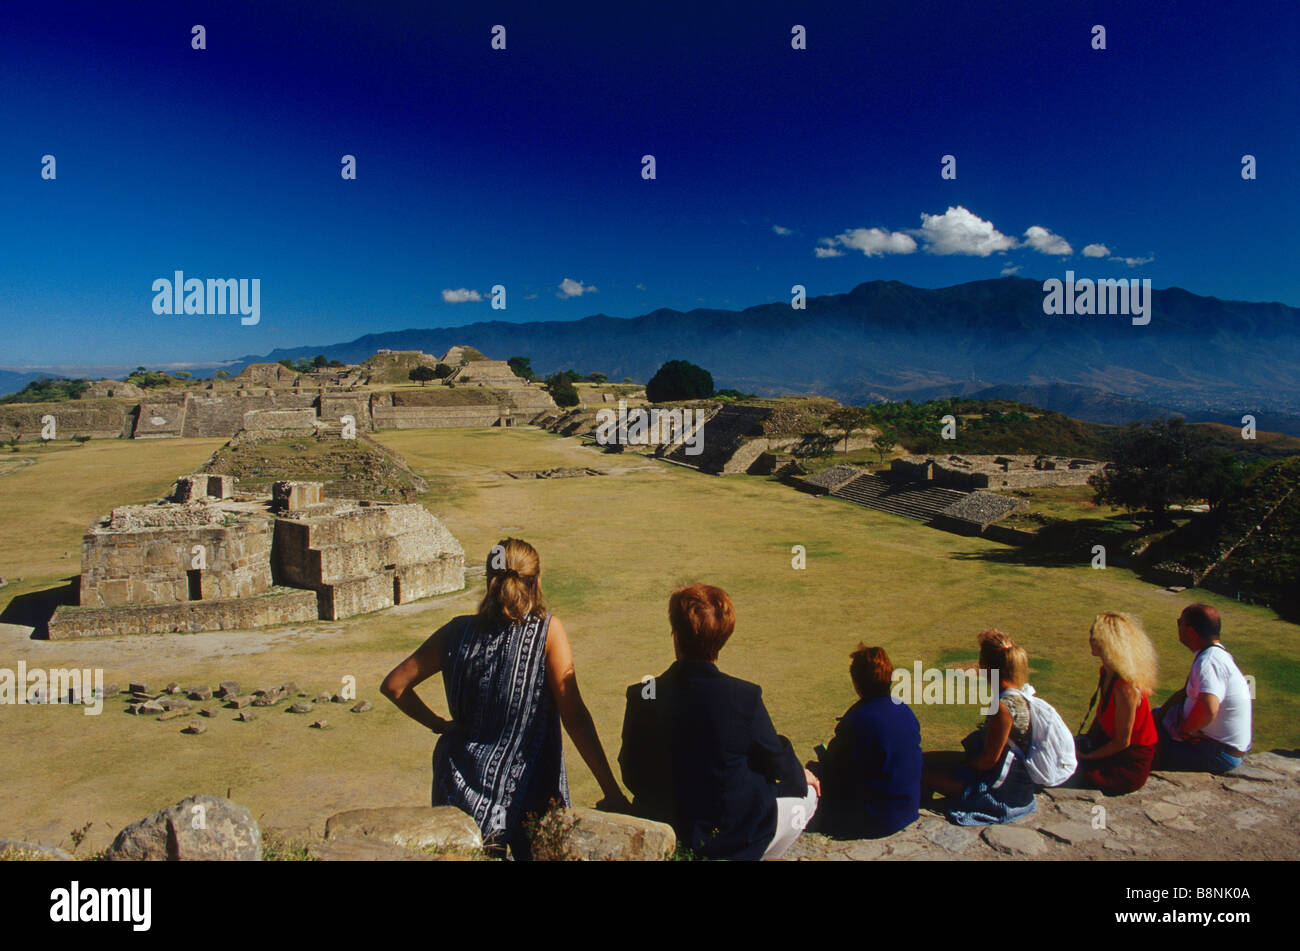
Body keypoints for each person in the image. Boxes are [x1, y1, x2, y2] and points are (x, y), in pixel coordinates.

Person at [381, 538, 628, 858]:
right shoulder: (547, 632)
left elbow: (394, 686)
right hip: (527, 789)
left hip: (460, 786)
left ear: (488, 581)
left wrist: (440, 725)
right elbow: (574, 716)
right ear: (537, 581)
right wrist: (611, 791)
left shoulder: (456, 632)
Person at [618, 583, 818, 860]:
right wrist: (800, 778)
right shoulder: (743, 697)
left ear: (675, 636)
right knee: (807, 796)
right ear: (724, 637)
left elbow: (631, 772)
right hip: (730, 838)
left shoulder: (642, 695)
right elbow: (779, 763)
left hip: (667, 828)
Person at [921, 630, 1037, 826]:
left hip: (1002, 792)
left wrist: (961, 768)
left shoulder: (1002, 707)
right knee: (924, 759)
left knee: (922, 773)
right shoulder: (1018, 695)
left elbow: (989, 760)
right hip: (1012, 782)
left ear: (986, 666)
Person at [806, 644, 921, 839]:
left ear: (856, 683)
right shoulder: (904, 711)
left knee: (812, 775)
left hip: (875, 819)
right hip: (907, 808)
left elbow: (839, 768)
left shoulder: (856, 719)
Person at [1153, 604, 1252, 774]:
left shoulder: (1209, 662)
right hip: (1221, 747)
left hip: (1216, 753)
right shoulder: (1216, 655)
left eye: (1180, 622)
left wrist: (1186, 729)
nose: (1178, 626)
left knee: (1144, 740)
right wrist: (1160, 713)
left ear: (1191, 631)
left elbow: (1209, 707)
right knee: (1154, 716)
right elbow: (1185, 693)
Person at [1071, 612, 1159, 794]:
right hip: (1107, 745)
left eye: (1095, 637)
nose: (1090, 641)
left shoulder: (1126, 689)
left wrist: (1088, 756)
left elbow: (1122, 742)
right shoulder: (1107, 672)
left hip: (1125, 764)